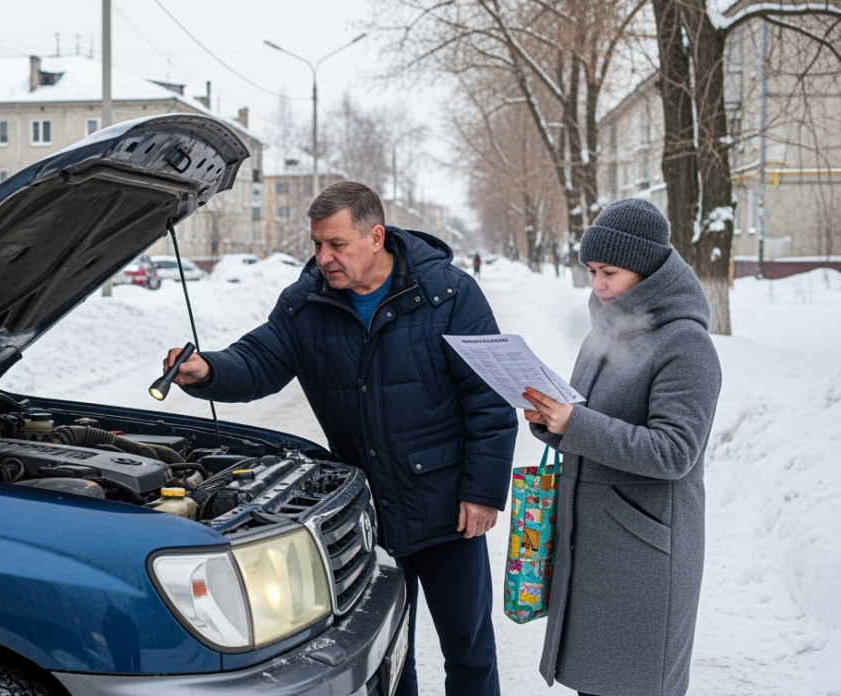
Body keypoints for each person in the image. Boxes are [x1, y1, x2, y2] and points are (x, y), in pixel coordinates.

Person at [163, 181, 517, 696]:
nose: (323, 257)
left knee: (468, 651)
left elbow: (489, 400)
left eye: (336, 244)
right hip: (365, 512)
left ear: (376, 237)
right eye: (316, 245)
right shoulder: (304, 303)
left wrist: (483, 492)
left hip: (447, 511)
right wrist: (206, 369)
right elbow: (258, 361)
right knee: (390, 648)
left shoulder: (449, 293)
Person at [521, 198, 722, 696]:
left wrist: (575, 423)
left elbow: (675, 451)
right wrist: (550, 420)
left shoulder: (686, 344)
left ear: (648, 269)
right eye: (591, 270)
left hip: (644, 553)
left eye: (610, 271)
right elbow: (583, 417)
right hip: (595, 544)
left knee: (634, 684)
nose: (598, 285)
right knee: (596, 682)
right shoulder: (605, 331)